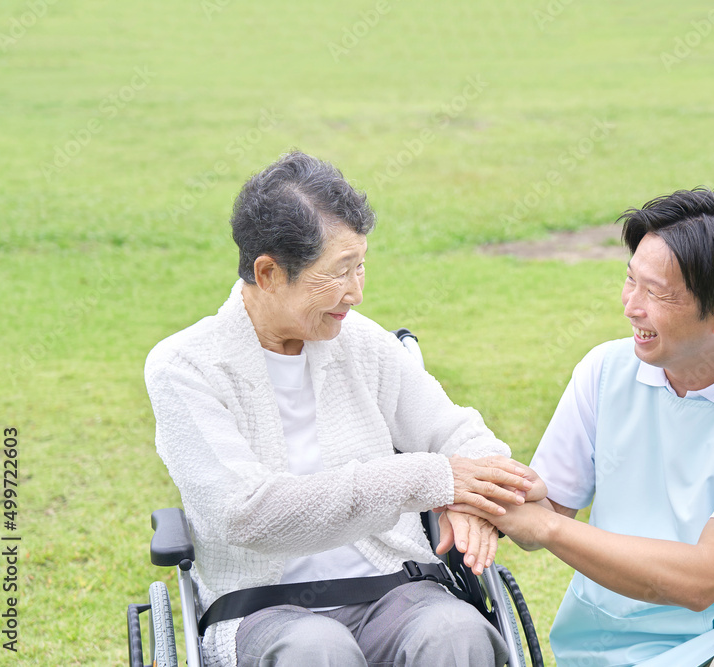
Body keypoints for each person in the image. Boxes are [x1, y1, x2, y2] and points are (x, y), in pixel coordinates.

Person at [144, 151, 544, 667]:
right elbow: (247, 513)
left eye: (361, 265)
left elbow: (461, 435)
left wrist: (473, 501)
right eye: (339, 272)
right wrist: (431, 479)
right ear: (268, 273)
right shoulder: (184, 367)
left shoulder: (361, 342)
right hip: (265, 609)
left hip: (395, 590)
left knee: (455, 631)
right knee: (317, 650)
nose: (357, 292)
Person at [454, 188, 714, 666]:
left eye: (657, 293)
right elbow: (542, 511)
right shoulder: (605, 370)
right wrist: (482, 494)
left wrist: (545, 525)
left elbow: (702, 581)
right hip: (611, 643)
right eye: (631, 281)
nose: (632, 306)